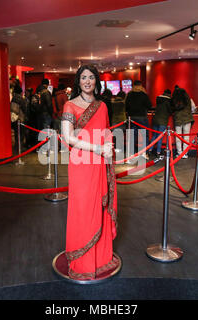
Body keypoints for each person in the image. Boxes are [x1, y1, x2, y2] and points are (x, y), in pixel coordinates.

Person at [60, 65, 118, 280]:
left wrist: (109, 144)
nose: (87, 81)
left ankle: (100, 258)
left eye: (91, 77)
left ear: (96, 81)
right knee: (83, 208)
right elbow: (68, 137)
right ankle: (82, 259)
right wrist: (96, 148)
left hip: (101, 162)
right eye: (83, 77)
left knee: (100, 207)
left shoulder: (101, 106)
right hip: (82, 164)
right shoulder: (69, 105)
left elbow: (106, 130)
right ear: (78, 81)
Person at [125, 80, 151, 159]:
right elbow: (149, 105)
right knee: (144, 136)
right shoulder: (144, 95)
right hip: (142, 118)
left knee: (132, 136)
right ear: (141, 86)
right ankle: (144, 153)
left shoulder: (129, 95)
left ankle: (131, 154)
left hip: (132, 118)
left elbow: (126, 106)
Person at [149, 89, 173, 156]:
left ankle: (150, 150)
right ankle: (158, 152)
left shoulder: (158, 100)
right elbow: (170, 111)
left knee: (154, 136)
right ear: (169, 94)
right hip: (163, 121)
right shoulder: (168, 102)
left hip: (155, 120)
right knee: (160, 136)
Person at [172, 87, 194, 159]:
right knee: (186, 137)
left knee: (178, 137)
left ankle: (179, 153)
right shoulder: (188, 99)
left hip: (178, 119)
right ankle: (185, 153)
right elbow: (193, 108)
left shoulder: (174, 101)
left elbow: (171, 110)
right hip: (187, 119)